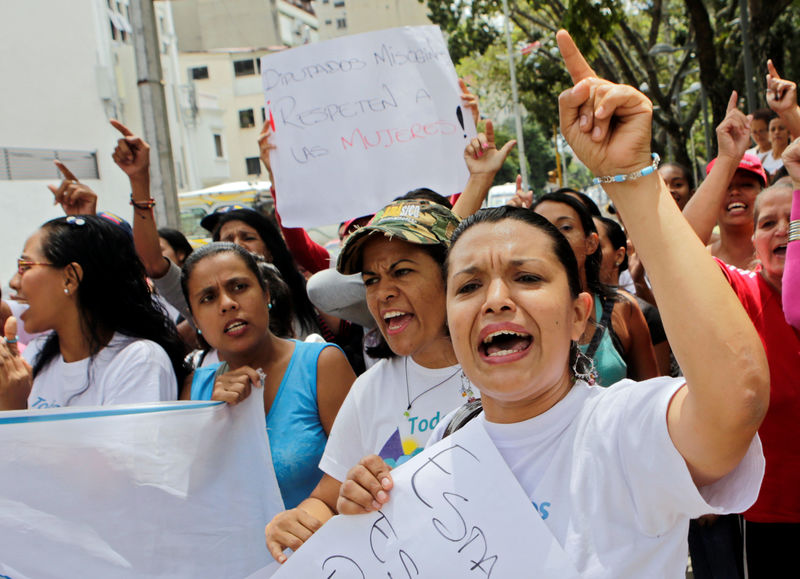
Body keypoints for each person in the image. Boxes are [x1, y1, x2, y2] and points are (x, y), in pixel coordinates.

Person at [336, 31, 768, 579]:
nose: (496, 300)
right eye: (468, 286)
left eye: (527, 277)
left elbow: (738, 399)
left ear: (581, 314)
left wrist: (633, 180)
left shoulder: (622, 431)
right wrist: (356, 517)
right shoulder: (437, 448)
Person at [263, 199, 481, 564]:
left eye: (402, 271)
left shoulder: (506, 371)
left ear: (452, 275)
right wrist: (296, 522)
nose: (384, 293)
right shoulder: (369, 390)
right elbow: (326, 500)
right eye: (371, 280)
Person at [180, 242, 355, 509]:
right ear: (196, 322)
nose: (227, 304)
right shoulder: (195, 391)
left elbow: (361, 468)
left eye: (239, 286)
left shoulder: (321, 365)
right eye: (208, 297)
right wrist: (210, 417)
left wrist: (312, 513)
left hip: (320, 546)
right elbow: (185, 494)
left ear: (266, 293)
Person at [0, 215, 187, 410]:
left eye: (26, 267)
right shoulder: (36, 353)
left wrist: (14, 409)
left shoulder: (139, 360)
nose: (14, 282)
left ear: (70, 278)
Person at [531, 192, 659, 385]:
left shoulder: (623, 309)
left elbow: (651, 397)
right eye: (541, 228)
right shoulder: (519, 313)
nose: (553, 236)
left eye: (565, 227)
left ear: (590, 243)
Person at [684, 93, 767, 270]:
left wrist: (790, 113)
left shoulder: (781, 255)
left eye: (746, 185)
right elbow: (679, 244)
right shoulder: (700, 260)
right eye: (726, 186)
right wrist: (727, 157)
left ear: (764, 193)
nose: (735, 192)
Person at [594, 215, 671, 376]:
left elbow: (655, 386)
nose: (588, 251)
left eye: (596, 245)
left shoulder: (643, 313)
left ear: (620, 255)